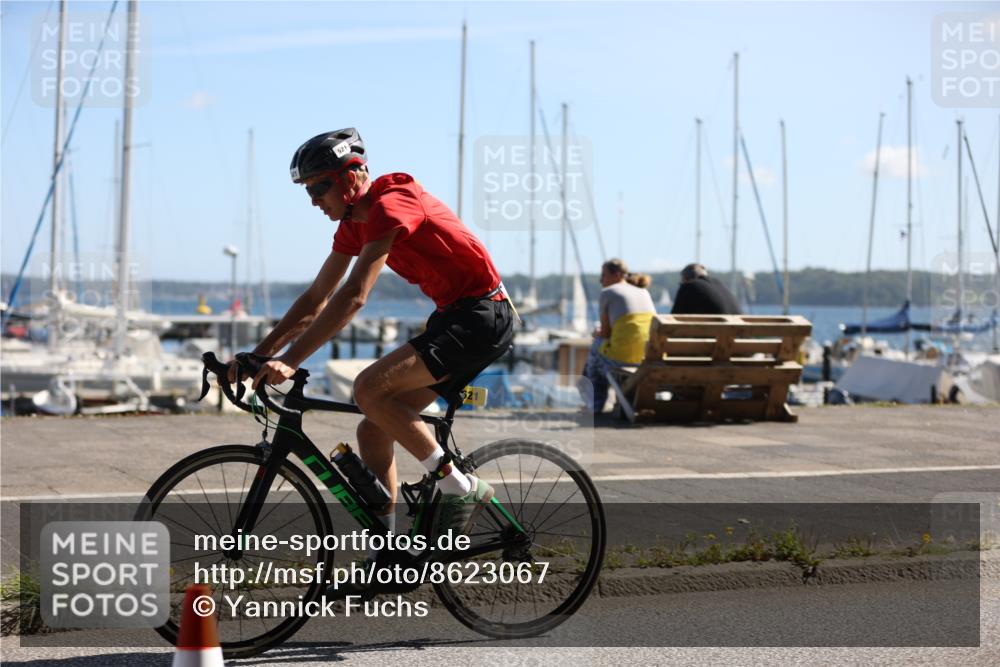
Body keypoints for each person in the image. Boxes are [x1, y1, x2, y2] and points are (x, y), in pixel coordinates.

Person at [229, 128, 514, 588]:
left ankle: (462, 489)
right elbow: (317, 297)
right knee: (372, 428)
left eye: (319, 186)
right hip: (452, 317)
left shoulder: (390, 204)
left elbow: (354, 296)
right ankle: (390, 551)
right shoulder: (354, 224)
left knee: (368, 388)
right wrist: (258, 355)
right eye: (308, 190)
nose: (314, 200)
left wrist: (293, 359)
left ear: (352, 175)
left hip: (484, 315)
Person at [578, 258, 656, 414]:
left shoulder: (608, 292)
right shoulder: (643, 291)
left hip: (621, 358)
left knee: (597, 347)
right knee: (602, 347)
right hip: (645, 357)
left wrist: (596, 333)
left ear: (617, 275)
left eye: (604, 275)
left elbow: (606, 333)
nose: (601, 280)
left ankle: (595, 404)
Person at [671, 263, 741, 315]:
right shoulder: (719, 284)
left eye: (681, 282)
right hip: (737, 332)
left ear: (685, 279)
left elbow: (674, 316)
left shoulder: (688, 285)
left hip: (713, 331)